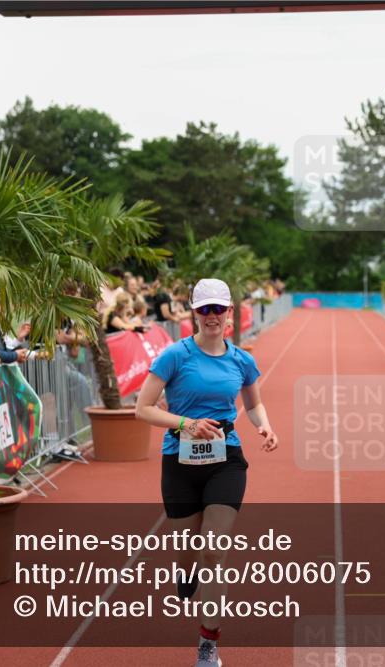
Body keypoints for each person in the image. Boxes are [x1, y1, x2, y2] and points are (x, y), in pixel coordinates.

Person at [134, 278, 278, 667]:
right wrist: (185, 424)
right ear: (194, 314)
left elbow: (253, 405)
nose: (212, 316)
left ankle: (208, 643)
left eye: (219, 309)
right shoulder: (174, 356)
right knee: (187, 549)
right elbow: (142, 408)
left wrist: (264, 425)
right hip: (179, 461)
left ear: (230, 313)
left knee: (214, 549)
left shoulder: (242, 360)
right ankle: (184, 571)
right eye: (205, 310)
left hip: (226, 459)